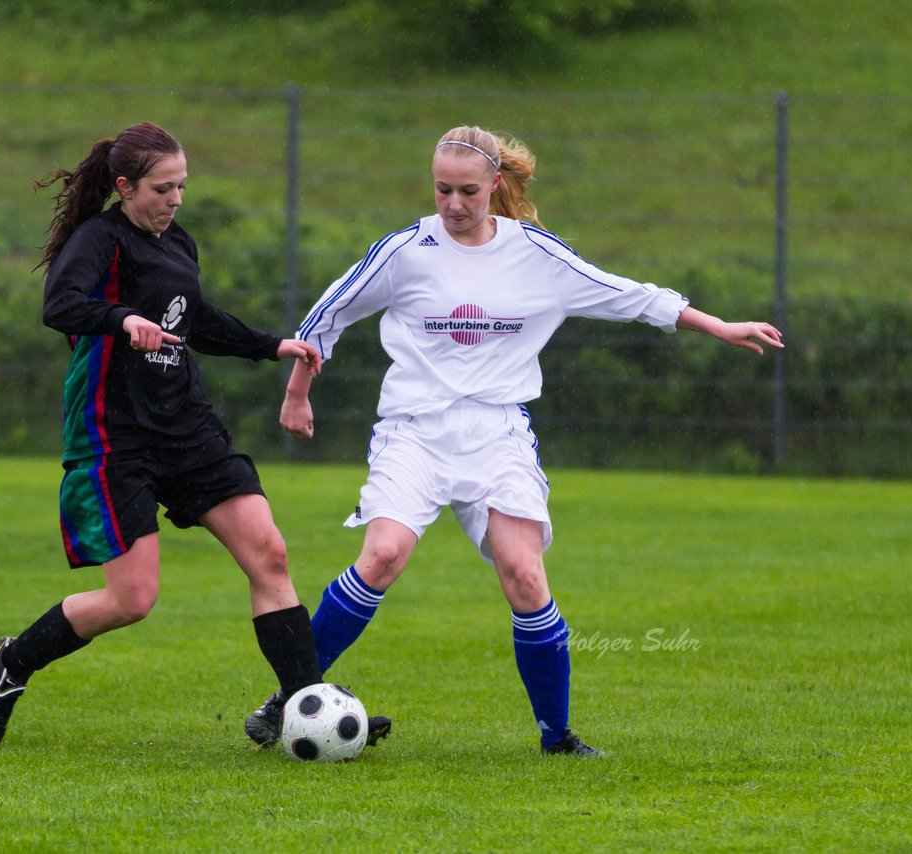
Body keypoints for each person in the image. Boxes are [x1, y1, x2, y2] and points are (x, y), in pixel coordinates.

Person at [243, 125, 784, 755]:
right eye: (442, 189)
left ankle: (558, 737)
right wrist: (296, 391)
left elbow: (626, 295)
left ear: (494, 185)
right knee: (383, 554)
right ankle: (290, 697)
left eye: (467, 191)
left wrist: (716, 325)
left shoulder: (535, 254)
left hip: (498, 431)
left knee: (525, 575)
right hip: (415, 430)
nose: (452, 204)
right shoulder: (406, 251)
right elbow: (327, 315)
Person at [0, 122, 389, 749]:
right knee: (132, 598)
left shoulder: (178, 244)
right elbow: (58, 305)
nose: (175, 199)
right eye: (162, 188)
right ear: (124, 186)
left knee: (268, 553)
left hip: (185, 425)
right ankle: (13, 663)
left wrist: (268, 346)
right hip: (116, 434)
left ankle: (304, 708)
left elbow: (195, 322)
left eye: (182, 186)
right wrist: (120, 319)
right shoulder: (100, 241)